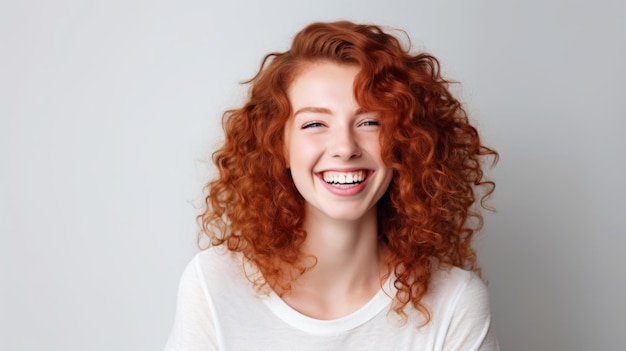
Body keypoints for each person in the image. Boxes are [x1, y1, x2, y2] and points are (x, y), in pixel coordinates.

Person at [165, 21, 499, 350]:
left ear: (404, 142)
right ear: (279, 146)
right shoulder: (215, 285)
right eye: (314, 123)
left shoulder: (455, 303)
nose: (345, 146)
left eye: (369, 121)